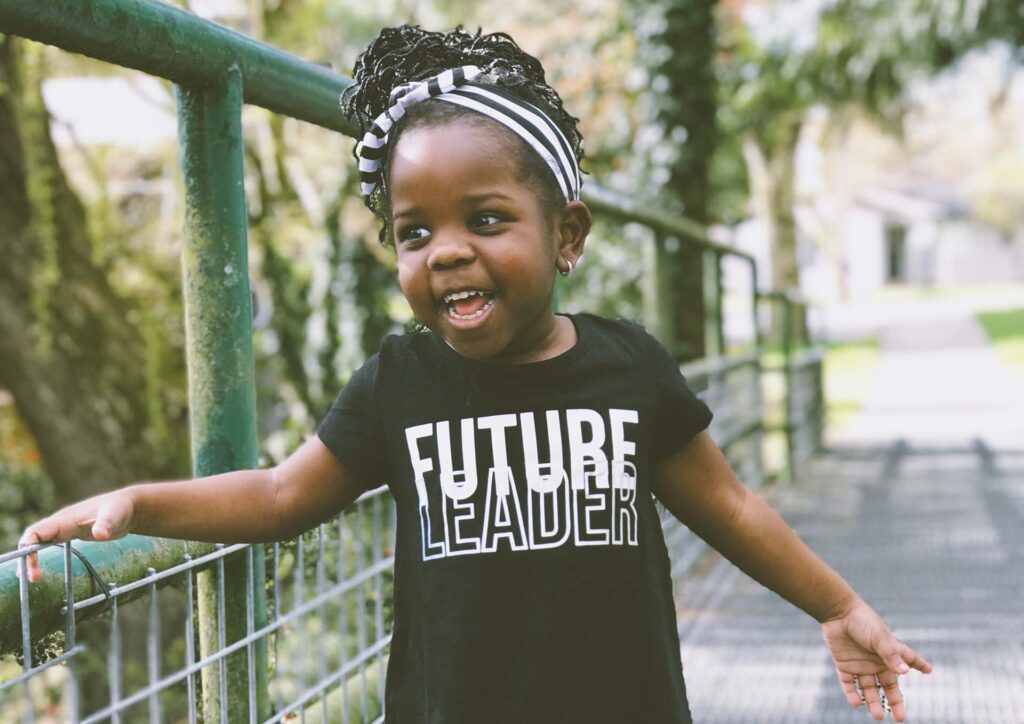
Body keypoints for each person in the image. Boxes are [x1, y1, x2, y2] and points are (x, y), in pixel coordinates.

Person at [19, 25, 931, 724]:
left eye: (486, 221)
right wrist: (141, 504)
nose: (446, 253)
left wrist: (838, 604)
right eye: (415, 233)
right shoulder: (398, 381)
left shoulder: (627, 366)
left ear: (566, 236)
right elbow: (278, 496)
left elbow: (729, 506)